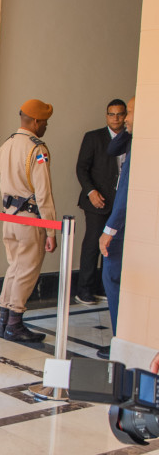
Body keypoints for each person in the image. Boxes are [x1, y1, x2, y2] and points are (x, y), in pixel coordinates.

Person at [0, 99, 57, 343]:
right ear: (35, 121)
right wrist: (51, 230)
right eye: (45, 123)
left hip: (8, 217)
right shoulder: (37, 149)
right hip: (30, 219)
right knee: (27, 271)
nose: (46, 127)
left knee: (14, 268)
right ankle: (15, 324)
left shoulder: (7, 144)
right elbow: (43, 193)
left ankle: (4, 319)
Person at [75, 99, 127, 305]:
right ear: (106, 116)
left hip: (119, 202)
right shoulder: (93, 137)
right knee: (92, 244)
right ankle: (84, 290)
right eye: (111, 114)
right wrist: (91, 191)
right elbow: (81, 168)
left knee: (113, 245)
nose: (116, 118)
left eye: (120, 114)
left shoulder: (130, 138)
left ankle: (105, 287)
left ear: (125, 116)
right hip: (97, 201)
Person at [99, 97, 135, 359]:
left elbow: (126, 190)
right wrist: (132, 129)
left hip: (124, 224)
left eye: (129, 113)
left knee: (112, 276)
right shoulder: (132, 137)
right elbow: (113, 148)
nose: (124, 119)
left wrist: (110, 229)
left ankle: (121, 341)